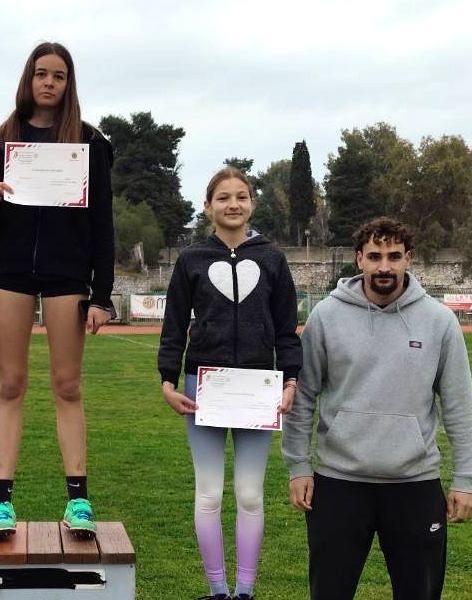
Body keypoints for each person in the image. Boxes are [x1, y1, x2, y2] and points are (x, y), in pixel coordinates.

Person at [281, 216, 472, 600]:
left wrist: (464, 479)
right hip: (338, 483)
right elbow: (302, 396)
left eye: (394, 256)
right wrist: (298, 466)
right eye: (374, 256)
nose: (384, 266)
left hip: (415, 484)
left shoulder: (439, 321)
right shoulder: (326, 316)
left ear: (409, 258)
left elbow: (459, 403)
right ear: (359, 259)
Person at [0, 41, 115, 540]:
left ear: (68, 82)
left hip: (67, 276)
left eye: (58, 75)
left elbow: (102, 223)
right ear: (28, 79)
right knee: (10, 384)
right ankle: (1, 502)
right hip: (12, 273)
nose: (49, 82)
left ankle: (77, 500)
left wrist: (102, 294)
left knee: (67, 386)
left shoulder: (91, 142)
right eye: (41, 74)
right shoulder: (1, 141)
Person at [157, 167, 302, 600]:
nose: (233, 204)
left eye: (241, 196)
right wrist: (167, 381)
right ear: (208, 207)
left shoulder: (272, 259)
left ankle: (246, 591)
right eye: (223, 197)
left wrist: (290, 380)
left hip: (258, 388)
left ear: (252, 204)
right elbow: (173, 325)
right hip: (204, 388)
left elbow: (286, 329)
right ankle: (217, 589)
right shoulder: (191, 259)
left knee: (250, 495)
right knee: (208, 494)